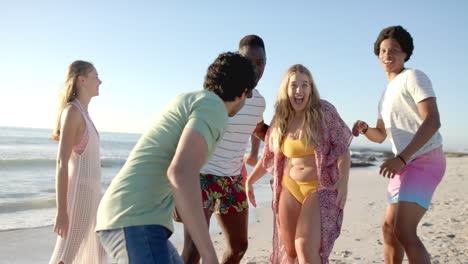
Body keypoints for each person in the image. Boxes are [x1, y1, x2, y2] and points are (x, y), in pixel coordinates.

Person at [95, 52, 256, 264]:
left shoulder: (191, 99)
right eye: (249, 93)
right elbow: (180, 173)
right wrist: (208, 253)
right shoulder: (214, 107)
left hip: (133, 218)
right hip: (136, 221)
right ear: (243, 92)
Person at [352, 25, 445, 264]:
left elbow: (433, 121)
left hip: (424, 160)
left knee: (404, 230)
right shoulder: (385, 94)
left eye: (393, 50)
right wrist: (365, 129)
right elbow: (381, 135)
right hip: (403, 165)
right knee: (388, 227)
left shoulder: (414, 77)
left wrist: (402, 158)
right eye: (382, 51)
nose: (387, 55)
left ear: (405, 53)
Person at [246, 64, 352, 264]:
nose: (299, 91)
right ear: (286, 89)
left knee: (305, 245)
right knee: (291, 250)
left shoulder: (324, 112)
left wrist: (344, 181)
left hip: (318, 188)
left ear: (311, 88)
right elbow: (269, 157)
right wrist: (250, 181)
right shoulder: (281, 119)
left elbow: (342, 150)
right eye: (294, 85)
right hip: (290, 187)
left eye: (304, 85)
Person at [179, 34, 267, 264]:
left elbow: (257, 127)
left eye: (261, 64)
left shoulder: (258, 101)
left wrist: (257, 152)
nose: (256, 69)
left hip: (232, 178)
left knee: (239, 246)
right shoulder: (216, 95)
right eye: (250, 62)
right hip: (202, 176)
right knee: (194, 249)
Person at [49, 60, 107, 264]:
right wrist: (62, 211)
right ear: (82, 80)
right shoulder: (72, 112)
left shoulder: (84, 113)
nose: (100, 81)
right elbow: (61, 163)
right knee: (66, 256)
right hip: (78, 197)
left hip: (92, 196)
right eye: (96, 76)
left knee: (98, 252)